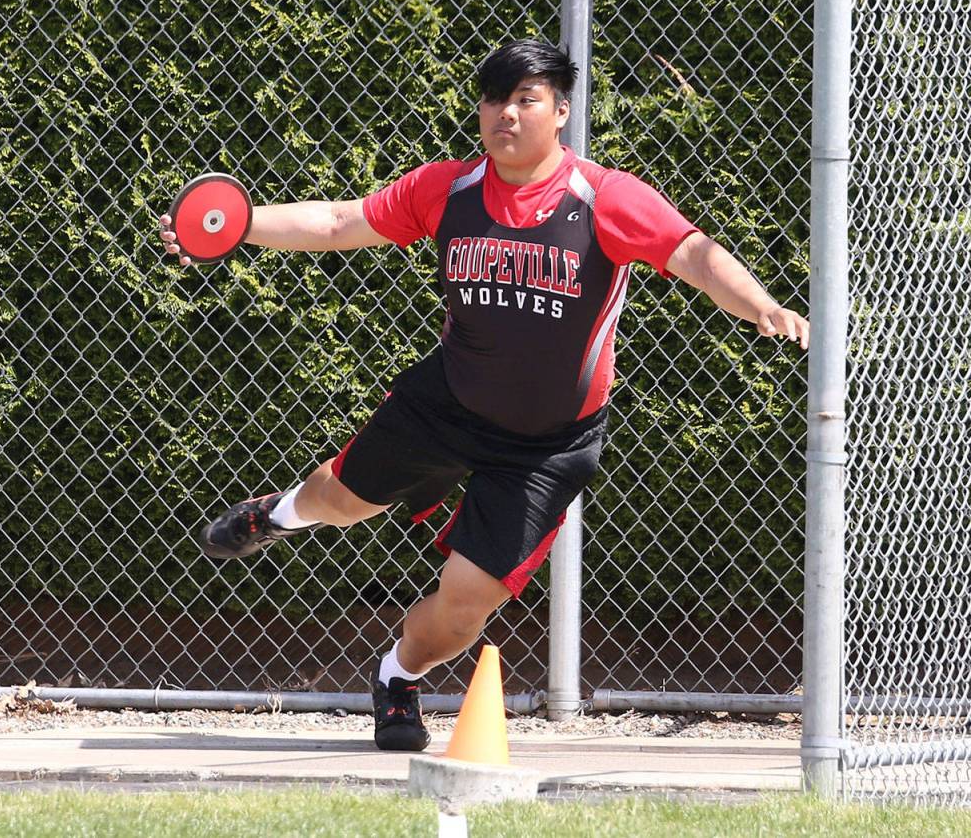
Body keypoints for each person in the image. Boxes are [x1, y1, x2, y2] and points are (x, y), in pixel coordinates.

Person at [158, 40, 809, 752]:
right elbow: (342, 223)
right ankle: (277, 515)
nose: (508, 113)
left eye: (527, 99)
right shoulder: (450, 189)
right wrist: (236, 225)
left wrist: (758, 304)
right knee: (339, 502)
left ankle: (397, 677)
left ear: (561, 112)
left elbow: (692, 253)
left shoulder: (606, 198)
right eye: (495, 99)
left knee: (464, 610)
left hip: (547, 446)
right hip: (449, 403)